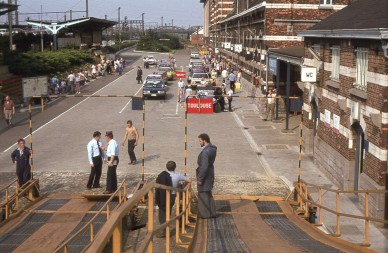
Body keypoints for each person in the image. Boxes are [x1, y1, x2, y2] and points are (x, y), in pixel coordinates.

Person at [196, 133, 217, 219]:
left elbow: (204, 166)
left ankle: (204, 215)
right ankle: (212, 213)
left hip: (205, 175)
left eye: (200, 141)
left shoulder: (205, 152)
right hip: (210, 173)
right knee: (208, 193)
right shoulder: (213, 149)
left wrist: (200, 179)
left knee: (203, 193)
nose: (199, 142)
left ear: (204, 141)